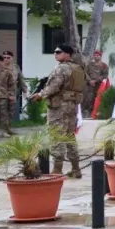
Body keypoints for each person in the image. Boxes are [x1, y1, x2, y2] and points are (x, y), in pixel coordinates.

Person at [34, 44, 85, 179]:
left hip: (59, 106)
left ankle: (57, 169)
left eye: (58, 52)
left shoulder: (61, 68)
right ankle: (76, 168)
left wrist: (40, 95)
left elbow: (54, 86)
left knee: (57, 136)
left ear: (67, 54)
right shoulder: (78, 68)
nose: (55, 54)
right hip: (72, 106)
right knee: (69, 136)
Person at [82, 49, 108, 117]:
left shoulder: (104, 65)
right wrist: (90, 81)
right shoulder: (89, 65)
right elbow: (85, 73)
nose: (96, 56)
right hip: (89, 85)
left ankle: (97, 113)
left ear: (100, 56)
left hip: (99, 85)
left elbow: (105, 75)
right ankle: (88, 113)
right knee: (88, 99)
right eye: (95, 55)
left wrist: (95, 81)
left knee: (98, 98)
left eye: (97, 55)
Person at [0, 53, 14, 134]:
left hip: (3, 96)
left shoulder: (7, 72)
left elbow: (11, 84)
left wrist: (11, 95)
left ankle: (6, 131)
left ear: (0, 61)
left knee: (4, 114)